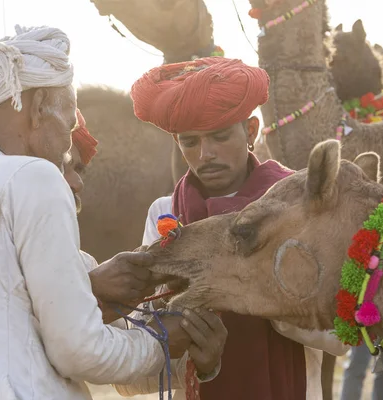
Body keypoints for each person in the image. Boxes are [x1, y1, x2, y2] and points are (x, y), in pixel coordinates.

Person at [0, 25, 224, 400]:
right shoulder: (33, 177)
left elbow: (1, 311)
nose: (67, 142)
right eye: (68, 122)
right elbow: (80, 352)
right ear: (39, 107)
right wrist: (161, 341)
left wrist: (90, 285)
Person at [113, 56, 349, 400]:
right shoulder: (165, 214)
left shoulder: (299, 206)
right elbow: (140, 342)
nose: (205, 154)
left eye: (219, 136)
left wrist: (266, 298)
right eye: (189, 142)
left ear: (250, 131)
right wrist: (197, 356)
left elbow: (341, 337)